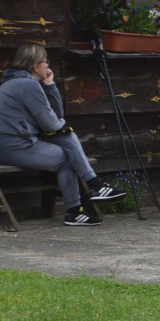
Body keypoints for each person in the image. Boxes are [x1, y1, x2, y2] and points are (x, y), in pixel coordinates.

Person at [0, 44, 127, 226]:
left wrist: (50, 85)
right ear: (36, 66)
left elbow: (57, 114)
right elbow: (51, 122)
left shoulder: (21, 82)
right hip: (13, 146)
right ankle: (85, 198)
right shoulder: (26, 85)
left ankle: (91, 192)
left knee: (66, 138)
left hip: (18, 142)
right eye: (45, 62)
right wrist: (60, 124)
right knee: (67, 156)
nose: (47, 66)